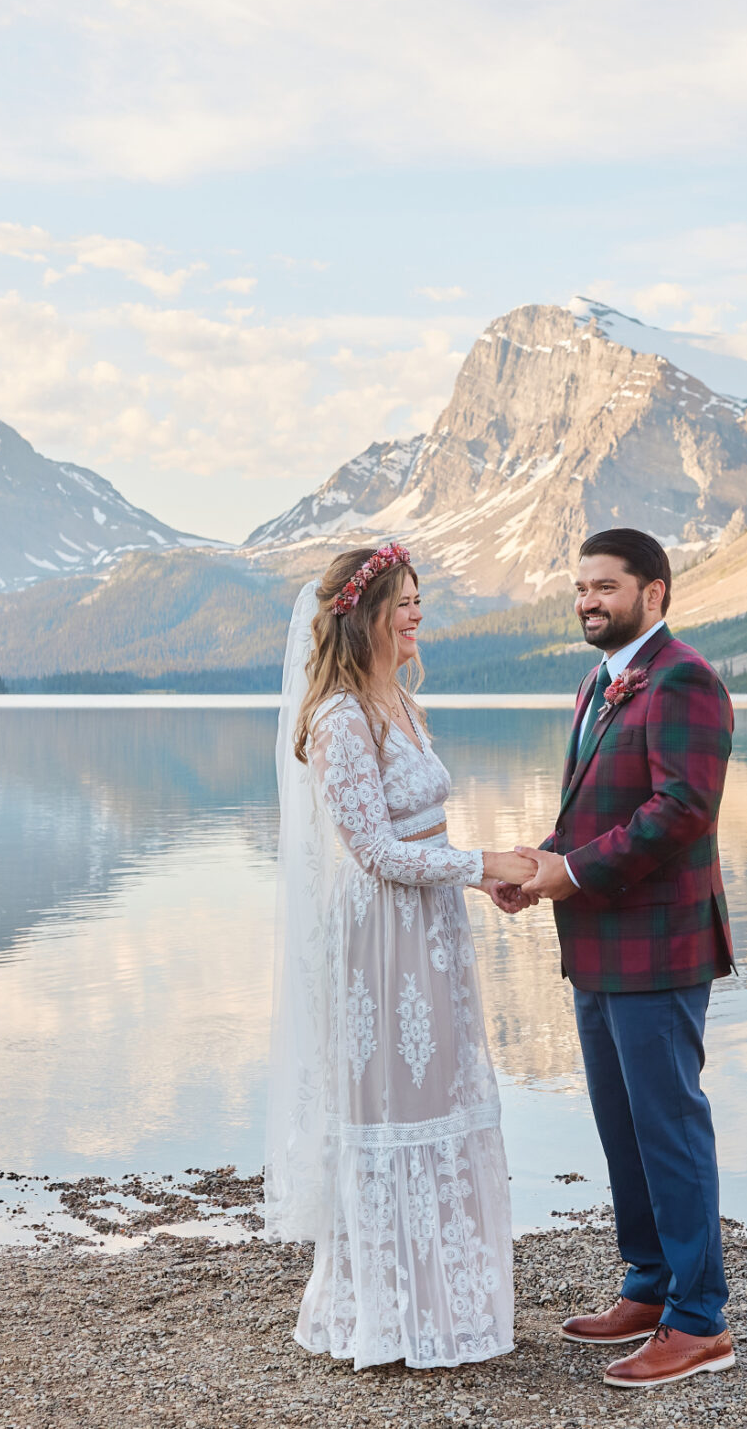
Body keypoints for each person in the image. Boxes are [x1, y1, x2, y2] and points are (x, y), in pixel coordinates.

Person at [263, 543, 539, 1369]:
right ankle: (385, 1314)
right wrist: (483, 867)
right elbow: (374, 853)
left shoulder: (403, 703)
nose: (418, 615)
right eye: (404, 602)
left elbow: (423, 833)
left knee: (444, 1094)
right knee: (396, 1105)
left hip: (431, 926)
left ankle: (448, 1302)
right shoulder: (341, 717)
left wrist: (483, 874)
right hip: (383, 933)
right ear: (366, 614)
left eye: (421, 600)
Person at [494, 527, 738, 1390]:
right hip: (596, 940)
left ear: (655, 593)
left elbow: (682, 811)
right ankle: (648, 1284)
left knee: (669, 1125)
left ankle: (699, 1321)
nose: (589, 601)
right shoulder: (597, 684)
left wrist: (574, 872)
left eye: (606, 587)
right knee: (620, 1123)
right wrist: (540, 865)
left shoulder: (684, 679)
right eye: (580, 589)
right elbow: (594, 808)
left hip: (660, 943)